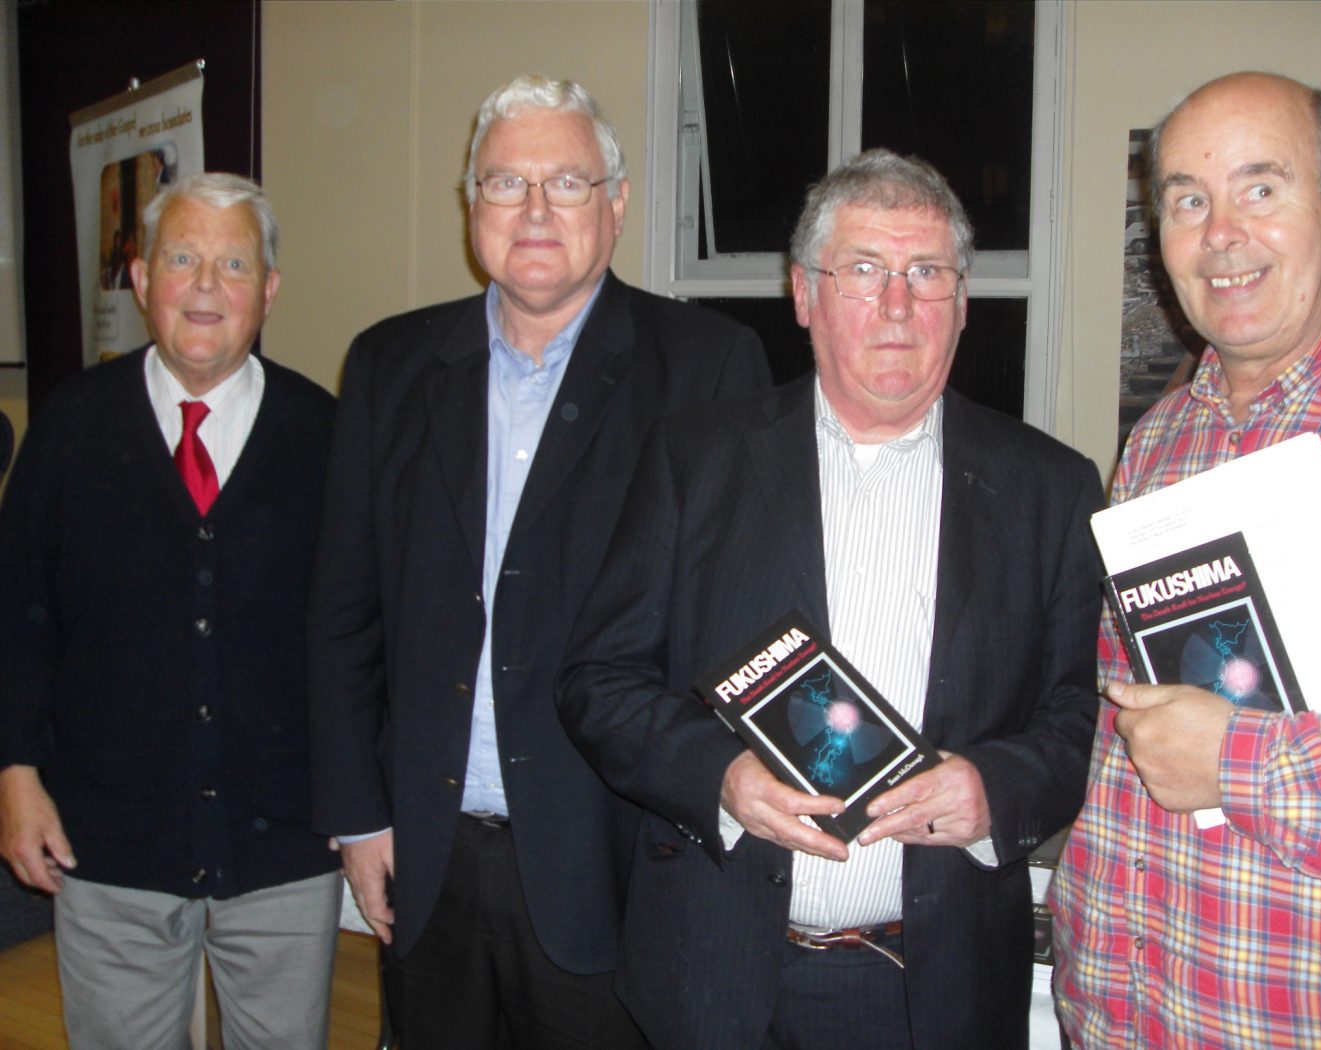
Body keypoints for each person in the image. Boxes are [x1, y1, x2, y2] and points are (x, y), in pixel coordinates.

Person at [556, 148, 1104, 1050]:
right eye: (862, 271)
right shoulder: (694, 461)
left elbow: (1082, 713)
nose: (898, 305)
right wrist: (720, 778)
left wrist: (997, 790)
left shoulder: (1050, 487)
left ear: (962, 303)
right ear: (804, 294)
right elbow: (598, 680)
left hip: (932, 991)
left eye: (926, 273)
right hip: (717, 976)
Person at [307, 74, 769, 1048]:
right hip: (423, 859)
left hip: (612, 862)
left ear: (617, 201)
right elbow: (343, 612)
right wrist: (357, 819)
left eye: (565, 182)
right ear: (469, 205)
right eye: (503, 184)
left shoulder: (706, 368)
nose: (533, 211)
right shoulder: (388, 366)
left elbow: (728, 628)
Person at [1051, 72, 1321, 1047]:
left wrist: (1236, 763)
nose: (1217, 235)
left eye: (1258, 188)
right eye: (1185, 201)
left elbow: (1209, 751)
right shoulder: (1162, 438)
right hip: (1118, 1012)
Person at [0, 173, 341, 1048]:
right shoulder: (70, 430)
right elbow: (16, 612)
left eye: (233, 263)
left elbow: (358, 638)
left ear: (267, 290)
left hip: (284, 846)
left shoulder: (329, 434)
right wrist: (15, 772)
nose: (204, 285)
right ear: (143, 278)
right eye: (182, 257)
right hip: (108, 839)